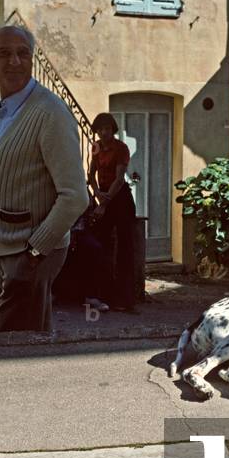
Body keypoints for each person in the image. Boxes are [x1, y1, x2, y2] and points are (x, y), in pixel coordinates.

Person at [0, 25, 88, 332]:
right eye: (4, 54)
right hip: (9, 249)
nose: (14, 61)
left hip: (29, 252)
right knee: (31, 341)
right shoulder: (5, 109)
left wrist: (35, 251)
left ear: (32, 59)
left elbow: (75, 196)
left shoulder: (49, 112)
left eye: (22, 53)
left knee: (11, 345)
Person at [87, 112, 138, 312]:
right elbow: (91, 175)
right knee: (100, 245)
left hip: (120, 200)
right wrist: (97, 192)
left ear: (112, 129)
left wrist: (104, 203)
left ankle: (126, 300)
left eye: (107, 128)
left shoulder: (121, 148)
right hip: (104, 198)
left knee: (125, 249)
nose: (103, 132)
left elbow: (119, 179)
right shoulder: (96, 148)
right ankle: (102, 295)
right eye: (100, 129)